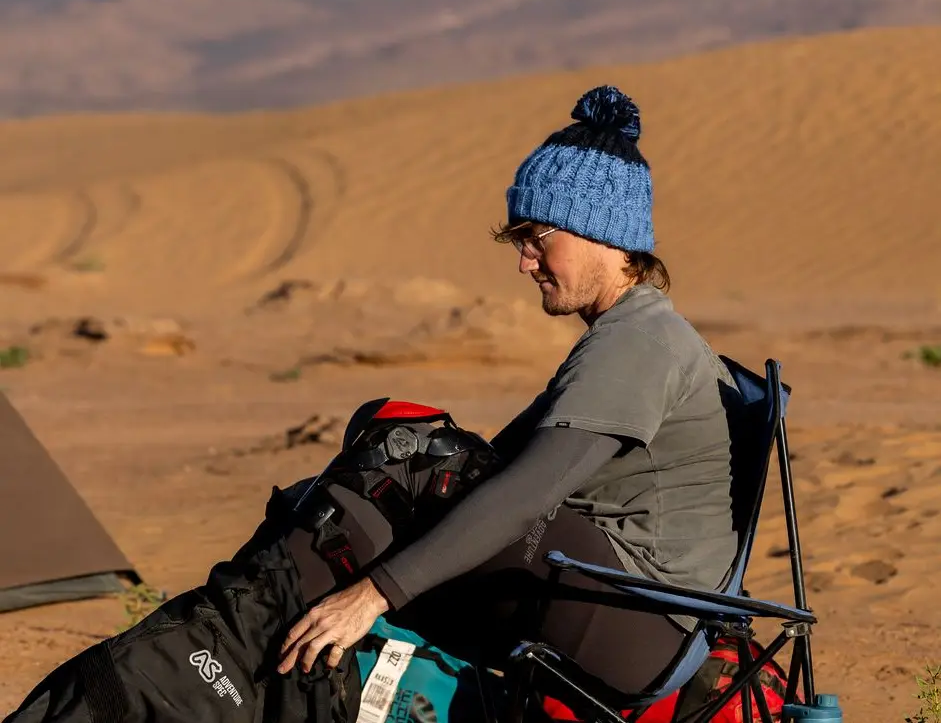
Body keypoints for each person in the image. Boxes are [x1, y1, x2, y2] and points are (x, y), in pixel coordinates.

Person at [276, 84, 741, 698]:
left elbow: (525, 492)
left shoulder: (639, 345)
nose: (525, 261)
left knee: (414, 477)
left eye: (537, 238)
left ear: (598, 232)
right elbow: (491, 459)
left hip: (640, 626)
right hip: (629, 611)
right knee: (398, 456)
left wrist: (372, 595)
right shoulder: (630, 333)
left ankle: (244, 648)